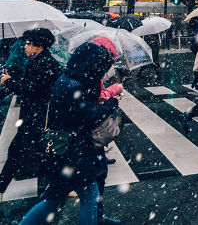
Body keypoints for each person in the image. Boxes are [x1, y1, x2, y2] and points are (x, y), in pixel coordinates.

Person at [18, 42, 121, 225]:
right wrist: (111, 103)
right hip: (74, 152)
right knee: (90, 195)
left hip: (61, 151)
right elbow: (91, 118)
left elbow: (78, 112)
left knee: (53, 198)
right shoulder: (75, 86)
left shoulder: (67, 80)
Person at [0, 28, 61, 202]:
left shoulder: (45, 64)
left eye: (28, 43)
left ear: (38, 46)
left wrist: (10, 81)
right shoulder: (39, 61)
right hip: (35, 116)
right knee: (44, 155)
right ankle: (62, 187)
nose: (25, 46)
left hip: (37, 117)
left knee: (19, 153)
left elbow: (30, 90)